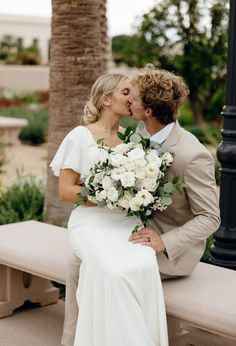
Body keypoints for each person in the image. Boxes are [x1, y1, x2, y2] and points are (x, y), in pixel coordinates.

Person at [50, 73, 169, 346]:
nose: (133, 99)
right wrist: (107, 195)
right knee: (112, 272)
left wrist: (136, 194)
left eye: (133, 93)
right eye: (126, 92)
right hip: (91, 224)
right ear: (106, 99)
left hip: (125, 223)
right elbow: (66, 190)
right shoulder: (80, 136)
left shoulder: (132, 140)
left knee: (144, 264)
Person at [128, 65, 220, 276]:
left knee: (109, 272)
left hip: (170, 254)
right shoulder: (141, 131)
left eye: (133, 97)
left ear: (148, 110)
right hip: (133, 235)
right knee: (80, 262)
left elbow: (210, 217)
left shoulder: (192, 155)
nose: (129, 101)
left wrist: (164, 242)